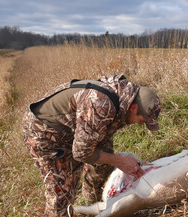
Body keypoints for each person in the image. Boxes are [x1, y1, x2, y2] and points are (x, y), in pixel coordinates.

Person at [22, 74, 161, 217]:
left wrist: (113, 159)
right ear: (134, 108)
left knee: (104, 159)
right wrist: (120, 161)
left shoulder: (125, 95)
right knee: (61, 195)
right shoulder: (102, 105)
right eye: (141, 119)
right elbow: (81, 153)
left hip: (75, 127)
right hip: (44, 133)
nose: (139, 124)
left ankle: (90, 201)